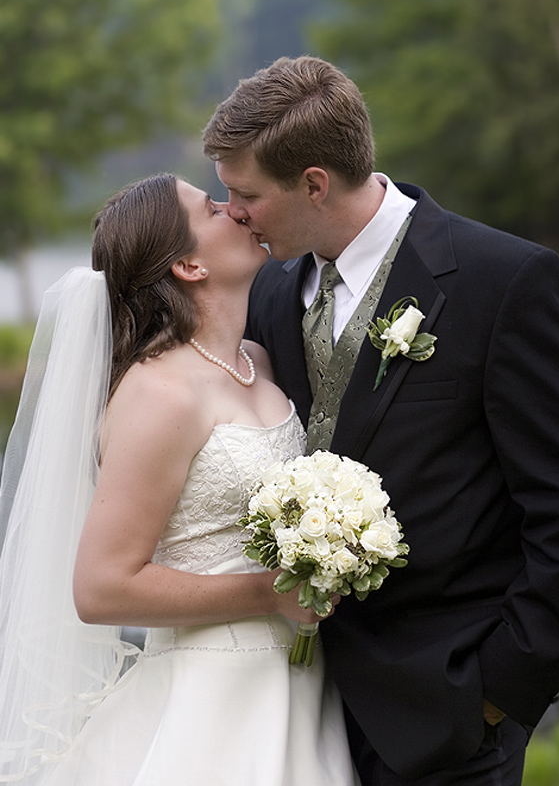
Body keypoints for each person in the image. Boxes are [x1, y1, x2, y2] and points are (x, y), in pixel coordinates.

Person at [202, 55, 559, 785]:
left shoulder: (504, 281)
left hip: (451, 710)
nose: (232, 215)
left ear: (313, 182)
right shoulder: (272, 289)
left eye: (245, 194)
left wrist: (499, 692)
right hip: (294, 712)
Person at [0, 173, 359, 785]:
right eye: (212, 207)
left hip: (298, 685)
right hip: (209, 697)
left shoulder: (257, 362)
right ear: (189, 265)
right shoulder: (158, 392)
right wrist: (267, 593)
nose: (236, 210)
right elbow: (101, 588)